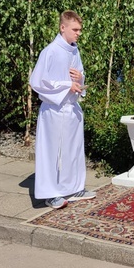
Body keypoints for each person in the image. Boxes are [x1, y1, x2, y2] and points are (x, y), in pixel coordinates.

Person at [30, 11, 96, 210]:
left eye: (80, 30)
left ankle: (73, 188)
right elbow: (38, 81)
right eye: (75, 30)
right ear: (62, 28)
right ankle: (50, 193)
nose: (78, 34)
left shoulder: (74, 51)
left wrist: (79, 78)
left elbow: (79, 77)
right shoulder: (50, 51)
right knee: (52, 153)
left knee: (72, 150)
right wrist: (66, 85)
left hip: (71, 109)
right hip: (54, 110)